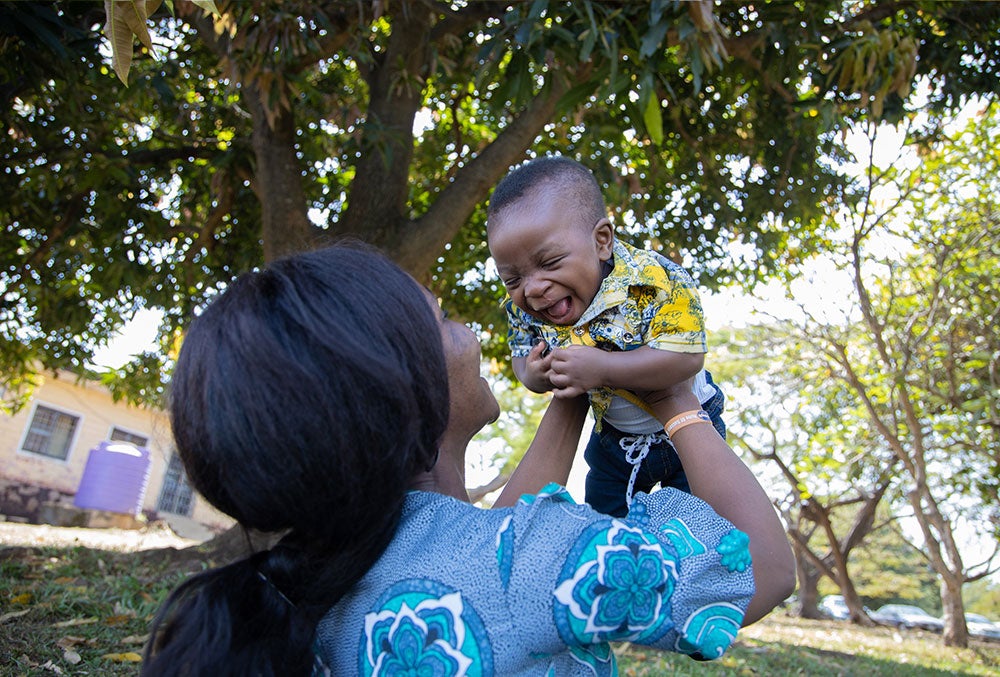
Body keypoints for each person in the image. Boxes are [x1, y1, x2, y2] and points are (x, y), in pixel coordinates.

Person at [142, 243, 794, 676]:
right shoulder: (533, 561)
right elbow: (762, 571)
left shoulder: (307, 587)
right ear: (404, 388)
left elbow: (494, 538)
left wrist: (576, 385)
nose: (474, 332)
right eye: (446, 318)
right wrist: (678, 402)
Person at [487, 155, 726, 518]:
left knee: (701, 524)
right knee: (603, 521)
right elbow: (522, 355)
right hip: (613, 439)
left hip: (685, 425)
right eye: (513, 280)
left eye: (550, 263)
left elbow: (686, 358)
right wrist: (533, 376)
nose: (533, 289)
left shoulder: (655, 280)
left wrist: (604, 369)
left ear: (601, 241)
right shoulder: (523, 310)